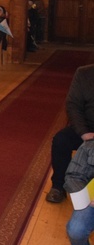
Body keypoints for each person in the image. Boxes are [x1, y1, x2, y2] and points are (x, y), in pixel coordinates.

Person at [47, 64, 94, 204]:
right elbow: (73, 105)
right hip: (87, 127)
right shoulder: (84, 73)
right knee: (61, 140)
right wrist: (84, 133)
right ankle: (58, 186)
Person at [64, 140, 94, 245]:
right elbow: (74, 176)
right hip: (92, 200)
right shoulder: (90, 145)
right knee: (76, 229)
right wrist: (87, 196)